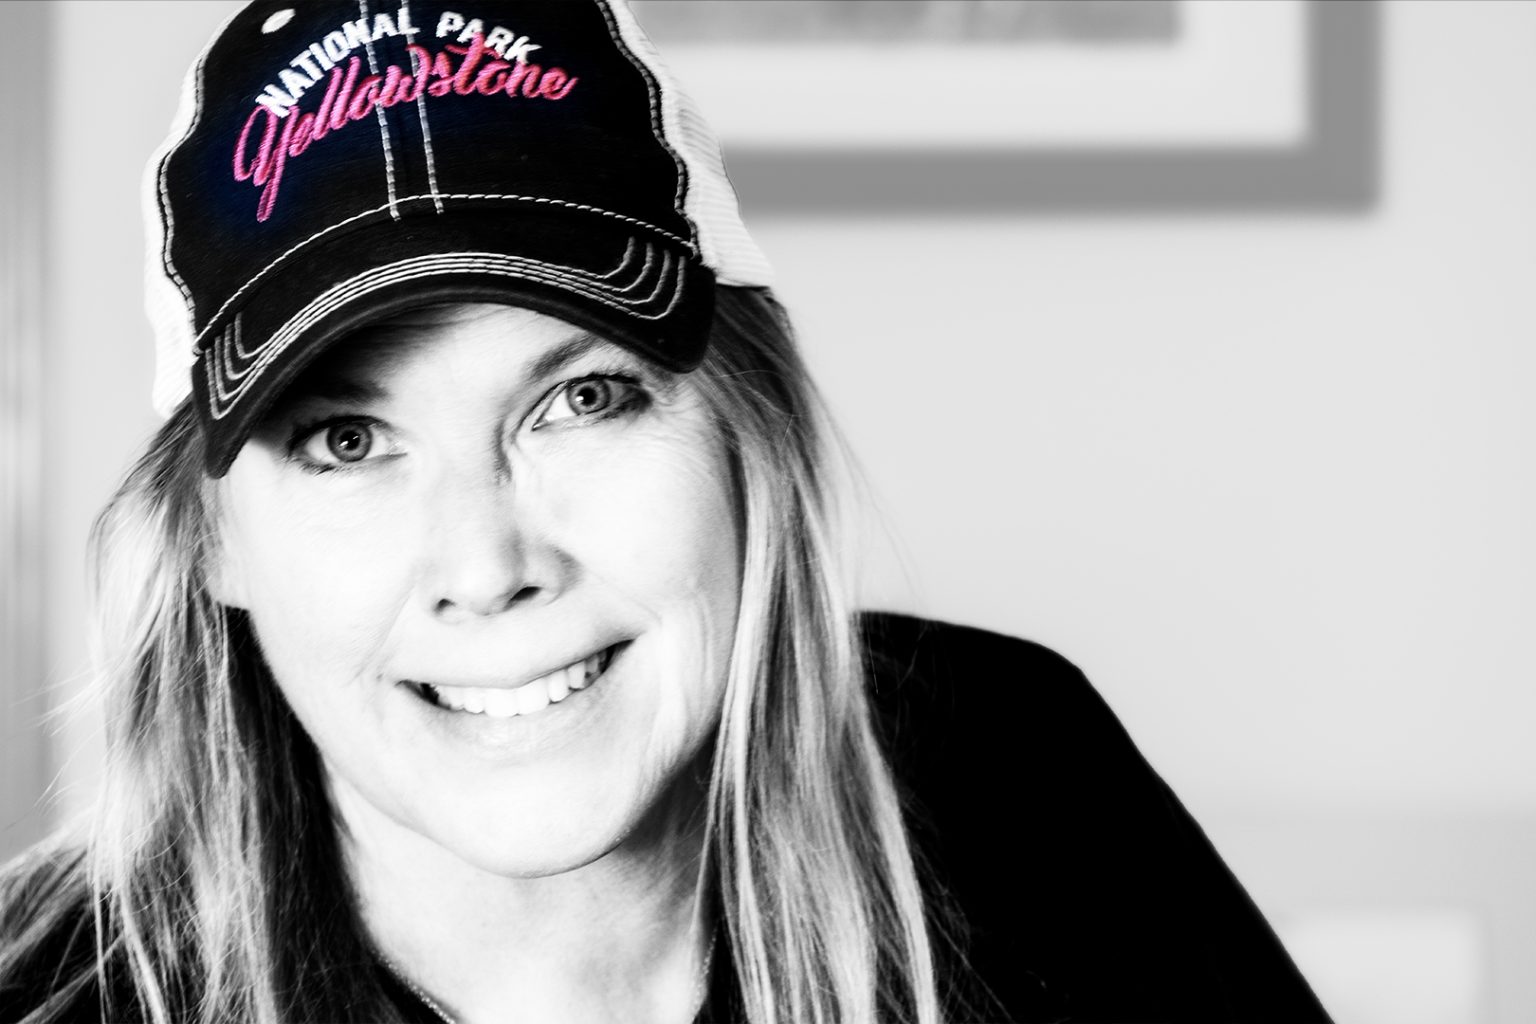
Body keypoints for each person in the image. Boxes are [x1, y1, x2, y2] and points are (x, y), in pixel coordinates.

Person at [0, 2, 1332, 1022]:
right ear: (213, 539)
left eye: (581, 399)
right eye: (347, 441)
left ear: (751, 433)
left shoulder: (1011, 777)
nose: (488, 563)